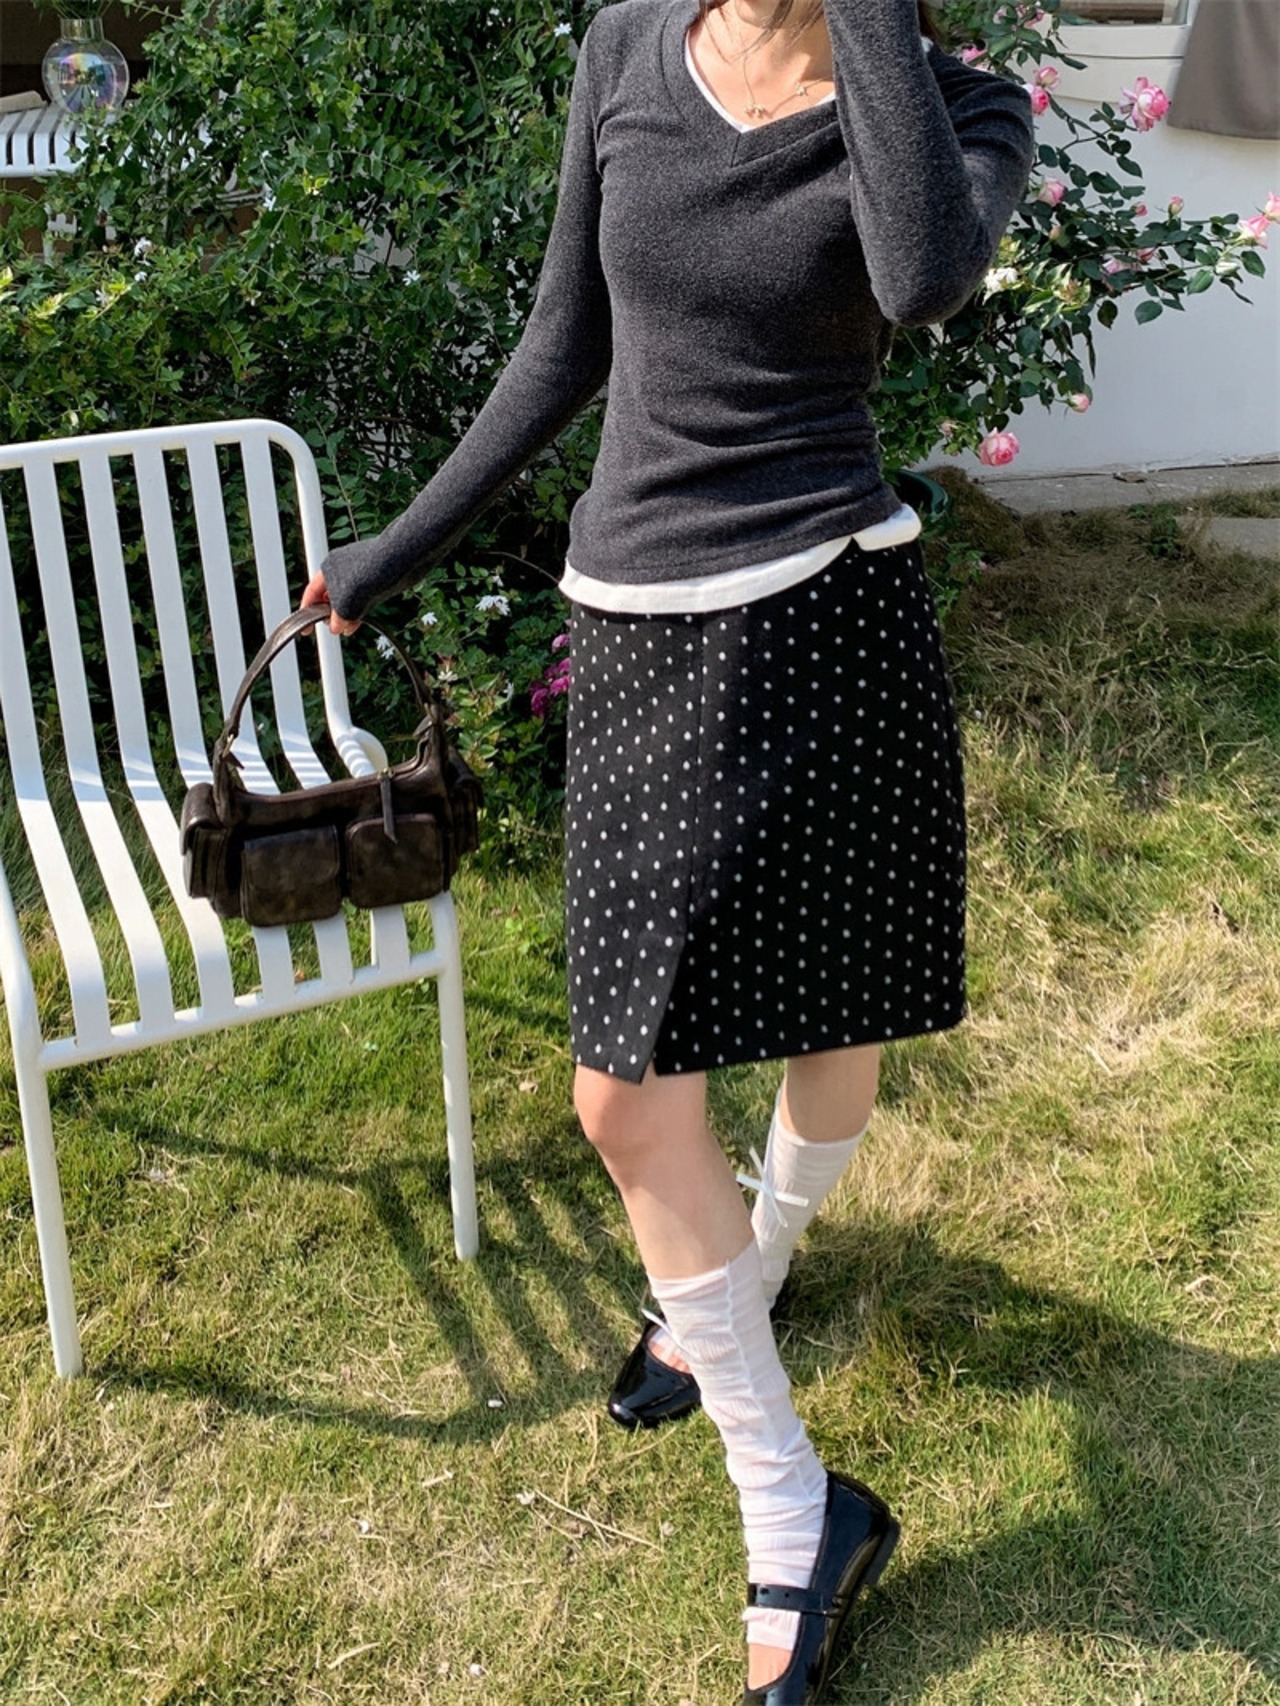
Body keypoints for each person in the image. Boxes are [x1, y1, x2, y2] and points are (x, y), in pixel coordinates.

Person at [302, 1, 1036, 1699]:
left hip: (831, 625)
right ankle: (796, 1500)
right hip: (642, 635)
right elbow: (566, 340)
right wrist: (397, 544)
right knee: (626, 1098)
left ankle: (745, 1281)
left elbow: (923, 278)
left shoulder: (962, 109)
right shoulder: (627, 48)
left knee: (832, 1019)